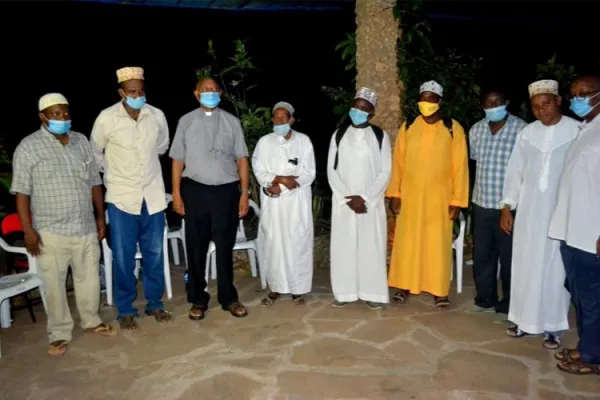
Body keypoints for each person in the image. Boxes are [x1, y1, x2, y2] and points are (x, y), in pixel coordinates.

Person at [11, 93, 116, 356]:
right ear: (42, 117)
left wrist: (100, 217)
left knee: (89, 278)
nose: (63, 118)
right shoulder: (28, 147)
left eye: (66, 113)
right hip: (50, 230)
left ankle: (91, 320)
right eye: (56, 114)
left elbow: (94, 182)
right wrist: (28, 230)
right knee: (54, 284)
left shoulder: (81, 141)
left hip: (84, 226)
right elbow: (22, 193)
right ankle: (58, 333)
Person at [91, 67, 172, 331]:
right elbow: (96, 154)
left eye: (141, 91)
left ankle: (155, 304)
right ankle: (125, 309)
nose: (137, 96)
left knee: (155, 255)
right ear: (121, 92)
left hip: (153, 196)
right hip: (122, 198)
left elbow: (162, 147)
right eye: (132, 92)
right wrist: (117, 173)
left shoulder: (156, 116)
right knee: (123, 257)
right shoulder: (106, 118)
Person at [500, 79, 579, 348]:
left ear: (558, 101)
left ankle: (553, 326)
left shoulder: (576, 130)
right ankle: (523, 320)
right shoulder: (527, 133)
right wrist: (507, 206)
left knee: (554, 268)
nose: (541, 110)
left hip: (560, 211)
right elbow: (515, 172)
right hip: (529, 210)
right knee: (524, 263)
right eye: (535, 106)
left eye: (546, 104)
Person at [170, 77, 250, 320]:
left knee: (225, 247)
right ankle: (198, 298)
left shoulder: (232, 122)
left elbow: (242, 160)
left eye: (214, 89)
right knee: (195, 248)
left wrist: (244, 193)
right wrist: (176, 193)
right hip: (195, 191)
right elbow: (177, 160)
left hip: (226, 191)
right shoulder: (186, 121)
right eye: (205, 90)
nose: (210, 93)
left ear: (220, 93)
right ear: (196, 94)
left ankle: (229, 298)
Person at [387, 80, 469, 309]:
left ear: (439, 102)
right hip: (410, 197)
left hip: (440, 199)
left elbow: (460, 166)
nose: (426, 102)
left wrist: (458, 201)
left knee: (437, 244)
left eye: (431, 98)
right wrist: (395, 193)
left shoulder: (453, 128)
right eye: (423, 98)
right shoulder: (408, 127)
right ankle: (403, 286)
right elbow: (399, 163)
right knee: (407, 241)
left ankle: (439, 290)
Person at [549, 75, 600, 375]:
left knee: (593, 298)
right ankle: (587, 346)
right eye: (574, 94)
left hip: (590, 233)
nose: (577, 99)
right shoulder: (586, 129)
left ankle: (593, 358)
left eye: (585, 94)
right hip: (572, 230)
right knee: (581, 295)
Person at [327, 87, 391, 309]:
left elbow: (385, 171)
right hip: (343, 202)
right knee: (343, 247)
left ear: (371, 113)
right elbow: (331, 170)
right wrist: (349, 197)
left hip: (369, 204)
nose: (358, 110)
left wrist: (364, 197)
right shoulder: (339, 135)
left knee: (371, 247)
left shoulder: (380, 136)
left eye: (364, 108)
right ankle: (344, 292)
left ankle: (372, 292)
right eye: (356, 106)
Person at [468, 89, 527, 314]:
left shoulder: (521, 129)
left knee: (510, 256)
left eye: (497, 102)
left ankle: (510, 303)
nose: (493, 106)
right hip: (482, 201)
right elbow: (475, 160)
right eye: (488, 103)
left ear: (507, 103)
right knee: (483, 254)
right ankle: (485, 298)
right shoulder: (476, 130)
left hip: (509, 206)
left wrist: (510, 205)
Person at [252, 102, 316, 307]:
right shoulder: (264, 142)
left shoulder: (303, 141)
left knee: (297, 243)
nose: (279, 120)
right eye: (275, 117)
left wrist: (284, 186)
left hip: (297, 203)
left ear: (291, 120)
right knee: (274, 244)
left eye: (283, 117)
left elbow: (308, 173)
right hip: (273, 203)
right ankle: (276, 288)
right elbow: (258, 170)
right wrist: (277, 180)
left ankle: (298, 289)